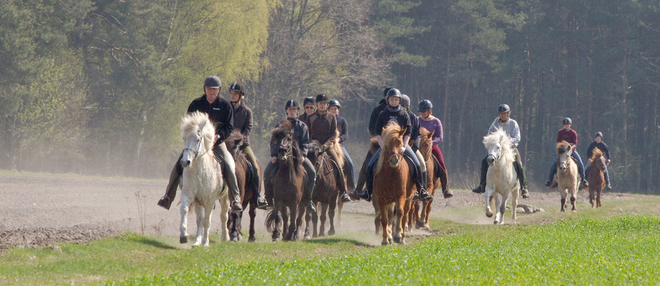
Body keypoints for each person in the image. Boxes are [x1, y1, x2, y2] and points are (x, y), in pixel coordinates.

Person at [157, 75, 243, 213]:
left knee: (228, 163)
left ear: (219, 90)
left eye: (214, 89)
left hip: (216, 143)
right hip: (196, 144)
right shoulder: (195, 104)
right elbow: (188, 126)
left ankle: (235, 199)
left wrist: (218, 136)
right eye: (209, 89)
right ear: (204, 89)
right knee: (180, 162)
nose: (212, 91)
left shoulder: (226, 106)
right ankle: (168, 196)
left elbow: (229, 127)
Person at [358, 88, 433, 202]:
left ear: (399, 101)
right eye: (392, 99)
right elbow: (377, 132)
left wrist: (404, 146)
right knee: (370, 165)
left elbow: (408, 131)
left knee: (417, 164)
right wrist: (382, 146)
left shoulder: (404, 114)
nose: (394, 101)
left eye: (396, 99)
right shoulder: (383, 114)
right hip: (386, 146)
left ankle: (421, 189)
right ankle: (368, 191)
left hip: (401, 144)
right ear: (388, 100)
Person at [263, 100, 318, 213]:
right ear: (286, 111)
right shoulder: (280, 125)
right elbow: (274, 141)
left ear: (298, 111)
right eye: (290, 109)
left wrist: (303, 155)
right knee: (267, 172)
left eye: (294, 109)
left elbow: (305, 142)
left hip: (298, 157)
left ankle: (308, 200)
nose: (292, 111)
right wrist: (274, 155)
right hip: (281, 155)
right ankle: (267, 198)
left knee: (312, 173)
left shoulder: (303, 126)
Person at [471, 104, 530, 199]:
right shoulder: (494, 124)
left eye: (505, 113)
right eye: (501, 113)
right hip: (496, 149)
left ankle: (524, 187)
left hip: (510, 148)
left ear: (508, 113)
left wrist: (506, 143)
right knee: (484, 161)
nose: (503, 115)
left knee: (519, 163)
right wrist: (492, 143)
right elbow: (489, 135)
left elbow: (517, 137)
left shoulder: (513, 123)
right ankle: (482, 185)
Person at [228, 82, 268, 210]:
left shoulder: (247, 111)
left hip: (243, 145)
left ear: (241, 96)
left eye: (236, 93)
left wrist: (240, 139)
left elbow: (248, 128)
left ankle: (257, 196)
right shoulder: (226, 109)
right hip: (227, 145)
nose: (233, 95)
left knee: (255, 167)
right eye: (231, 93)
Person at [305, 94, 351, 203]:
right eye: (320, 103)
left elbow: (333, 134)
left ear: (327, 105)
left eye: (324, 104)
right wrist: (314, 144)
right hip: (313, 147)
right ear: (317, 104)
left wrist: (326, 144)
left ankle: (343, 192)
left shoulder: (331, 117)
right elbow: (307, 134)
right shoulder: (310, 118)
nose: (322, 105)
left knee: (338, 165)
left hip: (327, 146)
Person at [416, 99, 453, 198]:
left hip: (431, 146)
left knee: (441, 163)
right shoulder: (416, 119)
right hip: (417, 145)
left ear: (429, 111)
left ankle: (445, 189)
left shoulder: (436, 121)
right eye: (420, 111)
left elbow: (440, 138)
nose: (421, 113)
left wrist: (430, 143)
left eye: (423, 111)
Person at [545, 117, 589, 188]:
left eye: (568, 124)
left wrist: (570, 148)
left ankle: (583, 179)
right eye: (565, 124)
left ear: (570, 125)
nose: (566, 126)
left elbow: (575, 143)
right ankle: (550, 179)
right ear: (563, 125)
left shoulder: (573, 133)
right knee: (553, 163)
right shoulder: (560, 132)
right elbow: (558, 142)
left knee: (580, 162)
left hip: (572, 150)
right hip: (562, 151)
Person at [328, 99, 356, 195]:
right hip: (328, 145)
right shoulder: (326, 120)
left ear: (338, 110)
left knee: (350, 163)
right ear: (328, 110)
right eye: (331, 109)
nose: (333, 111)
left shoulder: (342, 121)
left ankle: (351, 188)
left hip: (339, 146)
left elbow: (345, 134)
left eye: (335, 109)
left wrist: (338, 139)